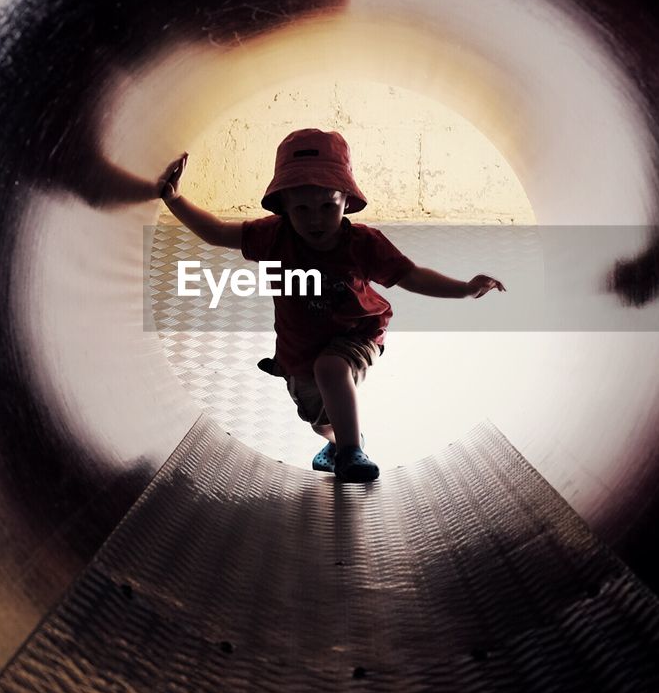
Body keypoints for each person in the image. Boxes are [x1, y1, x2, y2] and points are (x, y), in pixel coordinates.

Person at [156, 128, 505, 482]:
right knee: (320, 421)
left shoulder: (363, 243)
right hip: (297, 351)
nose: (315, 219)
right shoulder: (274, 236)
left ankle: (353, 451)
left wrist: (463, 289)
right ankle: (339, 444)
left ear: (346, 201)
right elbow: (217, 232)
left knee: (331, 368)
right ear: (284, 208)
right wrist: (175, 200)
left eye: (328, 207)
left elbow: (410, 275)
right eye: (302, 209)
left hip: (358, 332)